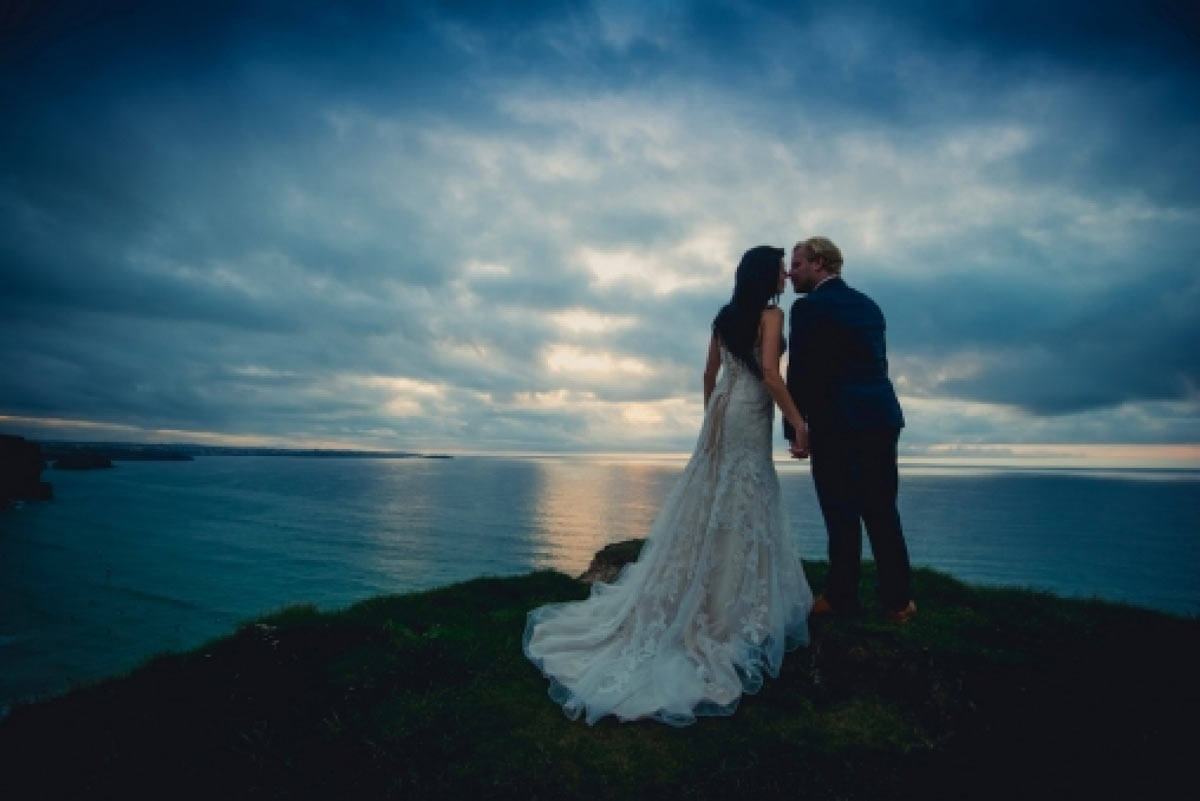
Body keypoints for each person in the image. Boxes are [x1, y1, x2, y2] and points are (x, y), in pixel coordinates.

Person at [523, 245, 814, 726]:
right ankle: (728, 602)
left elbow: (708, 374)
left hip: (722, 410)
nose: (786, 274)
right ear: (767, 275)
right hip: (749, 413)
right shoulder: (770, 315)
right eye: (781, 267)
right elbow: (768, 373)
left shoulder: (725, 315)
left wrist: (710, 421)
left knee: (714, 497)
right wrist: (799, 422)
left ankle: (708, 587)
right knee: (744, 499)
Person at [783, 236, 916, 623]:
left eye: (797, 264)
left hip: (837, 423)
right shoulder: (869, 305)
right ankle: (898, 601)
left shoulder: (808, 309)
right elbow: (876, 364)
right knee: (881, 510)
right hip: (880, 418)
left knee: (840, 513)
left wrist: (796, 429)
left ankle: (840, 596)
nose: (790, 273)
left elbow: (802, 371)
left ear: (819, 264)